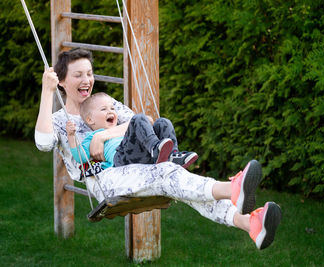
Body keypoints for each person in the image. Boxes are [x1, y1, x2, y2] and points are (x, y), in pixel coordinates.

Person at [34, 47, 282, 250]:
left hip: (132, 164)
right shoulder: (60, 119)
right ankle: (232, 189)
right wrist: (47, 90)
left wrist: (104, 135)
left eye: (89, 73)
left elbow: (142, 123)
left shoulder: (104, 103)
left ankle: (250, 224)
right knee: (168, 174)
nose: (86, 80)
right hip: (106, 180)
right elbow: (44, 143)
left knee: (174, 178)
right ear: (62, 81)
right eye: (78, 75)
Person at [66, 92, 198, 170]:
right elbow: (81, 157)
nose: (111, 111)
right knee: (138, 118)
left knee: (163, 122)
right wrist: (71, 137)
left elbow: (149, 121)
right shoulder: (92, 136)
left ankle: (173, 155)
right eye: (104, 109)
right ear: (90, 120)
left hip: (143, 155)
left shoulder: (121, 127)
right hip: (122, 159)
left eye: (112, 108)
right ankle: (155, 148)